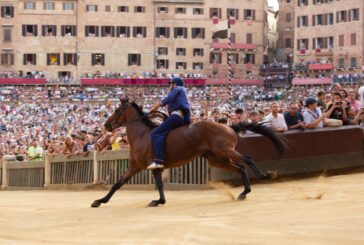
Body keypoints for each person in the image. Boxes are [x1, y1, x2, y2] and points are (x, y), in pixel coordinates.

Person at [147, 77, 191, 170]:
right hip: (181, 117)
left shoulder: (178, 88)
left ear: (174, 84)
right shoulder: (182, 92)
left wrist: (155, 107)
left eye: (170, 84)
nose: (169, 86)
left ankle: (158, 160)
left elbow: (169, 98)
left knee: (156, 133)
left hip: (177, 116)